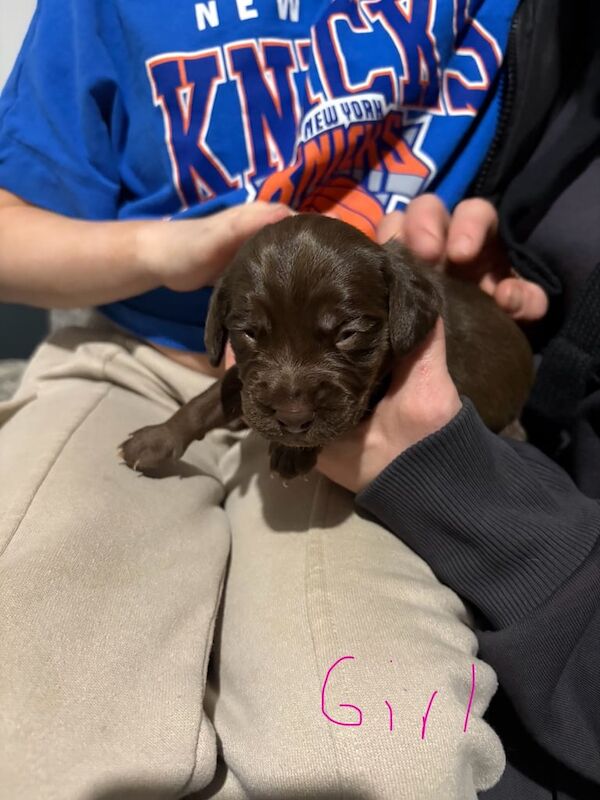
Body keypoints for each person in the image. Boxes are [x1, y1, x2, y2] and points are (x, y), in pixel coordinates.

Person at [0, 0, 591, 797]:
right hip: (131, 353)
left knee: (377, 751)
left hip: (385, 413)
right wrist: (162, 251)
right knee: (46, 702)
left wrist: (502, 255)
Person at [318, 14, 600, 799]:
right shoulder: (548, 34)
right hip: (490, 441)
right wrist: (504, 319)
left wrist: (456, 478)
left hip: (528, 625)